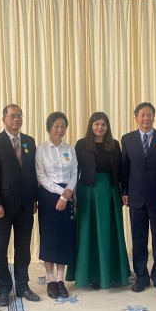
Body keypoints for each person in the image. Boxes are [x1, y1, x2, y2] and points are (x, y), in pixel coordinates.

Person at [66, 112, 130, 289]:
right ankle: (92, 275)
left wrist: (123, 191)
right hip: (88, 191)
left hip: (110, 191)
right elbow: (74, 170)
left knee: (110, 231)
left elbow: (122, 171)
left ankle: (114, 274)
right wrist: (73, 193)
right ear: (91, 126)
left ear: (107, 127)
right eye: (96, 124)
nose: (100, 127)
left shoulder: (114, 144)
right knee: (89, 232)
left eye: (103, 124)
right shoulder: (81, 144)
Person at [0, 104, 40, 307]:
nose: (16, 119)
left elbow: (33, 173)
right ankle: (3, 288)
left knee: (23, 247)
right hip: (3, 206)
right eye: (12, 116)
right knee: (1, 248)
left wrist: (34, 199)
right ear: (4, 119)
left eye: (19, 115)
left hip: (26, 204)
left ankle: (23, 285)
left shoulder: (29, 141)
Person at [121, 102, 156, 295]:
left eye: (149, 114)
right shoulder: (127, 139)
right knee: (139, 241)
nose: (146, 118)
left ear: (154, 116)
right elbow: (125, 168)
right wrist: (124, 191)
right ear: (136, 117)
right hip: (136, 198)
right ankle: (141, 277)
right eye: (142, 115)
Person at [35, 112, 78, 299]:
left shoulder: (70, 149)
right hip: (48, 196)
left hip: (67, 195)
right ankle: (50, 280)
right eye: (56, 126)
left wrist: (67, 193)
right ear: (49, 128)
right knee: (50, 238)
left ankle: (60, 280)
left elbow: (75, 173)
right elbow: (41, 176)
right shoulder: (41, 149)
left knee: (64, 237)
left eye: (63, 126)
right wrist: (61, 193)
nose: (60, 130)